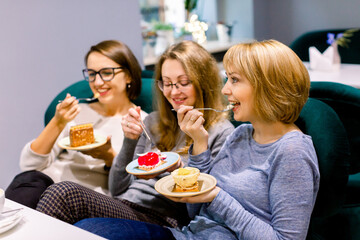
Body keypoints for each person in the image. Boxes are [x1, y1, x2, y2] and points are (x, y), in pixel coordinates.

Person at [74, 39, 320, 240]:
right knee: (83, 228)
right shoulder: (241, 134)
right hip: (187, 234)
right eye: (227, 80)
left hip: (183, 231)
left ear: (268, 86)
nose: (225, 90)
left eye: (234, 80)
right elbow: (195, 211)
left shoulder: (292, 150)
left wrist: (215, 196)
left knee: (87, 226)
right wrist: (199, 148)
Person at [35, 40, 234, 228]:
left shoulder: (220, 132)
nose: (173, 92)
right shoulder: (153, 122)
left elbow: (200, 211)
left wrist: (186, 159)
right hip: (125, 205)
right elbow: (118, 190)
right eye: (167, 83)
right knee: (40, 187)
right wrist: (129, 141)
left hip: (164, 217)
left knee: (63, 193)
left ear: (203, 82)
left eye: (183, 82)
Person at [5, 40, 145, 208]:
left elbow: (135, 186)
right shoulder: (78, 111)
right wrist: (57, 122)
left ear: (129, 75)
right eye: (92, 74)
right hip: (43, 182)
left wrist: (108, 156)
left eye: (107, 73)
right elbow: (29, 166)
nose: (98, 82)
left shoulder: (139, 122)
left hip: (84, 198)